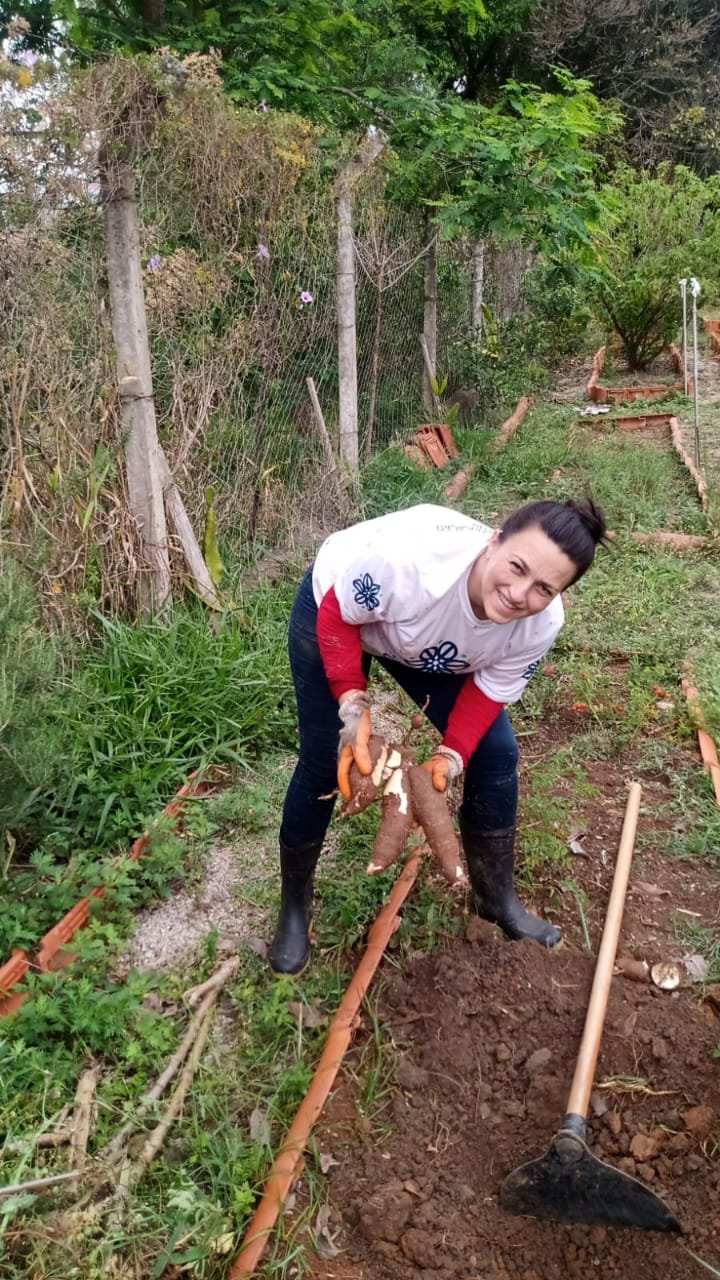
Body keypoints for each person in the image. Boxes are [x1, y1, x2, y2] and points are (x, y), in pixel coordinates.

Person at [269, 498, 608, 975]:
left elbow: (489, 692)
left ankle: (496, 898)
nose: (519, 594)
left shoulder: (541, 624)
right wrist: (352, 705)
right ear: (494, 541)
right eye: (517, 567)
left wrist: (452, 754)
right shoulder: (411, 564)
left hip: (424, 642)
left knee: (495, 752)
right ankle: (294, 906)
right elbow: (338, 613)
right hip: (340, 611)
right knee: (327, 757)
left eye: (543, 588)